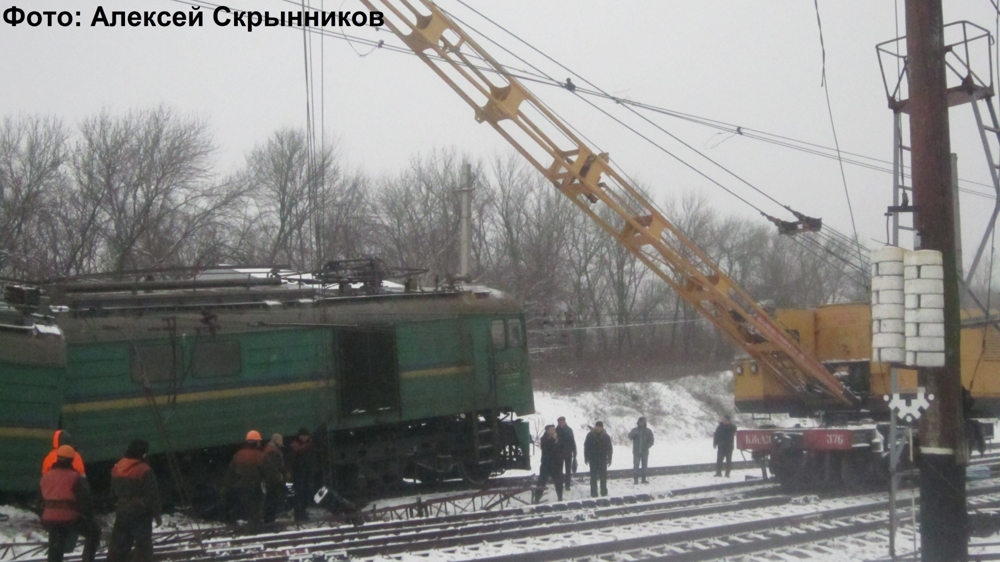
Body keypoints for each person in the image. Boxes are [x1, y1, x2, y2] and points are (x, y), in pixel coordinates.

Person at [39, 445, 99, 562]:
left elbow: (40, 498)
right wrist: (90, 518)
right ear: (72, 459)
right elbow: (85, 501)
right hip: (69, 518)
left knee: (55, 539)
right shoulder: (75, 477)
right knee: (94, 533)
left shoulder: (46, 476)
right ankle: (87, 559)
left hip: (48, 518)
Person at [107, 439, 162, 562]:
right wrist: (157, 514)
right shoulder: (144, 469)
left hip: (122, 511)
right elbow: (152, 494)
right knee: (143, 545)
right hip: (140, 512)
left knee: (119, 545)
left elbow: (112, 494)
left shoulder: (117, 467)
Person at [223, 430, 278, 532]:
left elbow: (230, 474)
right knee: (255, 512)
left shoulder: (238, 455)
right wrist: (274, 485)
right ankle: (254, 531)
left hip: (241, 487)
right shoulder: (260, 456)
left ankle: (243, 528)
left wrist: (227, 487)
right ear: (257, 442)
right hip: (256, 487)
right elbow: (271, 474)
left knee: (246, 511)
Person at [288, 428, 317, 522]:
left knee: (306, 493)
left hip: (307, 472)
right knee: (300, 494)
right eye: (303, 435)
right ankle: (299, 514)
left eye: (305, 435)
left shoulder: (308, 446)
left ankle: (302, 513)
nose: (304, 438)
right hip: (299, 473)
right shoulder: (303, 445)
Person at [583, 421, 613, 498]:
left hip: (602, 459)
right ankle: (593, 493)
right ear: (595, 427)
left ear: (602, 428)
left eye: (599, 427)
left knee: (603, 476)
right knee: (593, 477)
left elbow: (609, 448)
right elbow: (586, 447)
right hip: (593, 458)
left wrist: (609, 458)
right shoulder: (590, 435)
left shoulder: (606, 436)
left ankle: (604, 492)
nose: (598, 428)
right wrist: (586, 457)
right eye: (597, 426)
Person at [535, 425, 563, 502]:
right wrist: (553, 440)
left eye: (554, 429)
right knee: (541, 482)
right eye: (551, 429)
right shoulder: (544, 439)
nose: (553, 431)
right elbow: (546, 448)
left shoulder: (558, 439)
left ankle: (560, 498)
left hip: (556, 464)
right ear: (547, 431)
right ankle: (536, 499)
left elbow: (561, 449)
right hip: (546, 464)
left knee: (558, 482)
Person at [263, 433, 286, 523]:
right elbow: (277, 465)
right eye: (280, 440)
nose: (282, 442)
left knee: (269, 500)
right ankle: (269, 522)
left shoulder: (269, 449)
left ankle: (269, 520)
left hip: (269, 479)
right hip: (273, 480)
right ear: (276, 440)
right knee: (272, 500)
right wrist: (283, 472)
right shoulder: (273, 451)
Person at [628, 416, 654, 484]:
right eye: (640, 422)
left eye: (643, 422)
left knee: (644, 466)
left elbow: (651, 440)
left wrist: (647, 446)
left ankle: (643, 479)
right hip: (636, 451)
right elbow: (629, 437)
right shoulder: (635, 430)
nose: (641, 423)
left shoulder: (648, 431)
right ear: (638, 422)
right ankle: (635, 480)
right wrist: (633, 434)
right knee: (636, 465)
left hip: (644, 452)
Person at [555, 417, 577, 491]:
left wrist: (574, 451)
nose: (560, 423)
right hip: (559, 453)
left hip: (568, 452)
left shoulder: (569, 430)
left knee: (568, 470)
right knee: (559, 470)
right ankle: (560, 485)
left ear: (564, 422)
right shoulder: (556, 430)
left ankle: (567, 485)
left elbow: (572, 441)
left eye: (561, 422)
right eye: (559, 422)